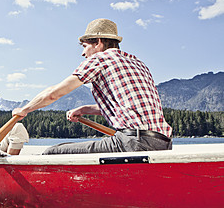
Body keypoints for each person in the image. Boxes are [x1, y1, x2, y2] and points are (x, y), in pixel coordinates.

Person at [12, 18, 172, 154]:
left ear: (98, 43)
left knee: (52, 152)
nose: (83, 53)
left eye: (84, 46)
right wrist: (84, 110)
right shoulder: (138, 63)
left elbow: (53, 94)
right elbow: (129, 108)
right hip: (163, 142)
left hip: (134, 143)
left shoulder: (99, 60)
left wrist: (24, 109)